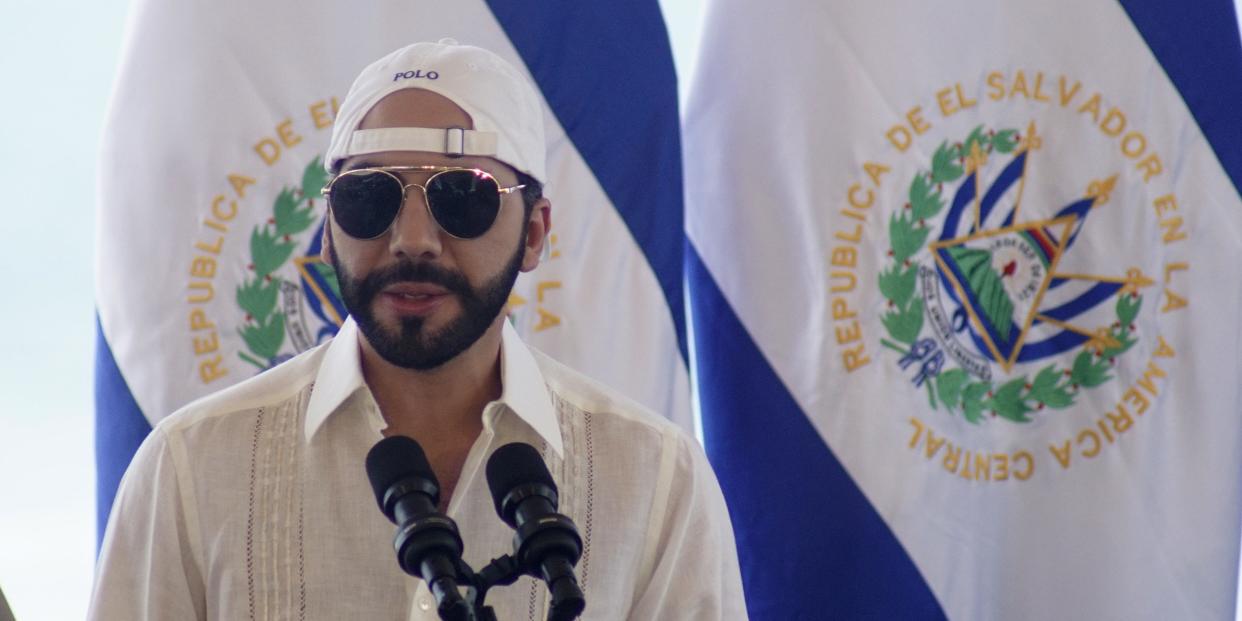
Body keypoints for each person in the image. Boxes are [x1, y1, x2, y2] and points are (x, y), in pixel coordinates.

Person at [88, 40, 746, 620]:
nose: (412, 240)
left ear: (536, 230)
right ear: (328, 225)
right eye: (369, 198)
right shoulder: (190, 470)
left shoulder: (657, 480)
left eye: (463, 196)